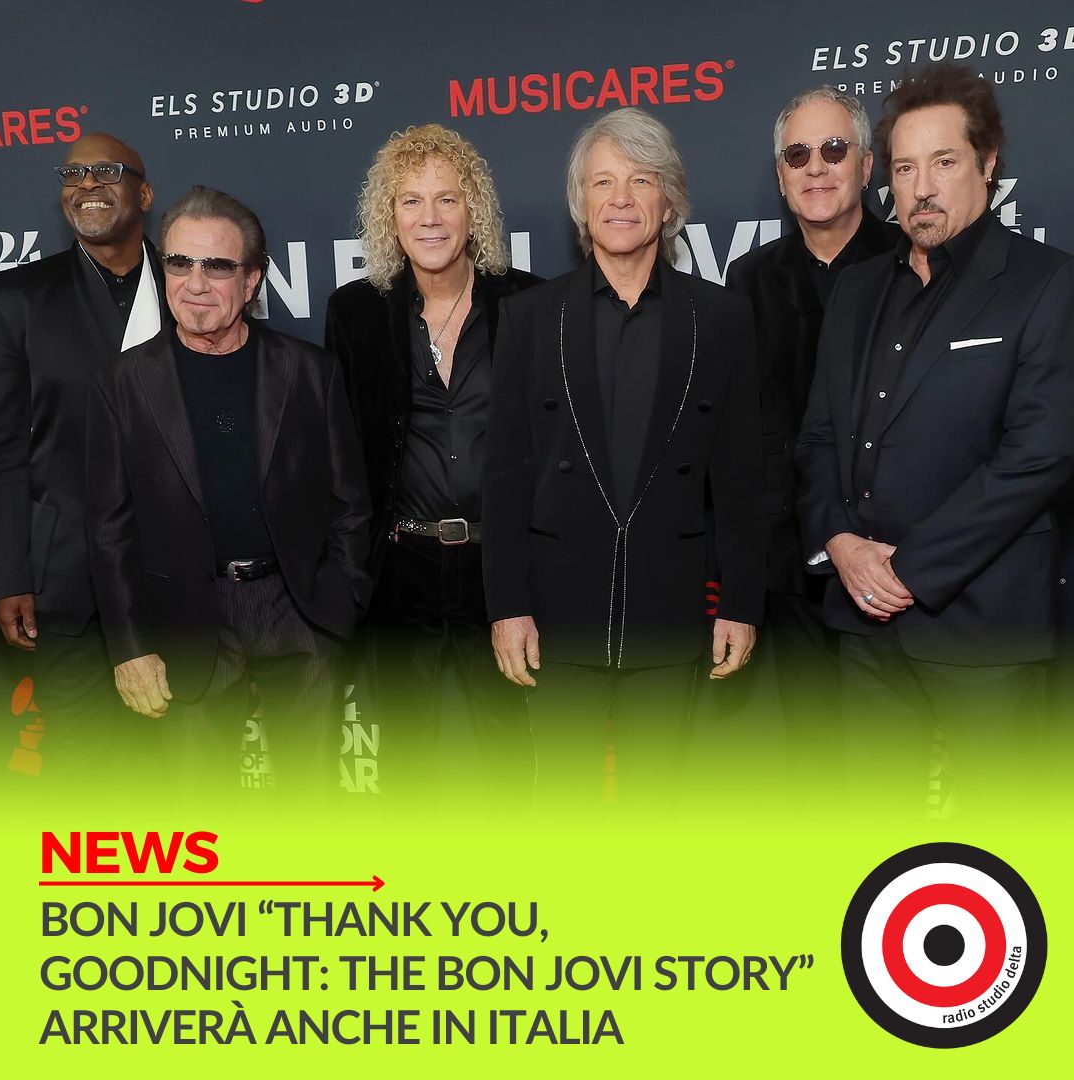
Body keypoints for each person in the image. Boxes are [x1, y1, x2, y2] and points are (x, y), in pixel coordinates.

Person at [796, 64, 1074, 811]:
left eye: (944, 163)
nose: (921, 188)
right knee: (877, 841)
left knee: (1000, 845)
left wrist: (908, 569)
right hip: (863, 624)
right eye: (905, 168)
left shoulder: (1045, 283)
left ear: (987, 163)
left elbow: (1039, 455)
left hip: (984, 628)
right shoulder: (856, 289)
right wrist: (840, 543)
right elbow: (818, 437)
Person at [482, 107, 765, 805]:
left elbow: (739, 477)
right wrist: (507, 605)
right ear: (581, 203)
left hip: (669, 614)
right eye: (603, 182)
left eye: (642, 180)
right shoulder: (529, 318)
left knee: (654, 814)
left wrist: (742, 601)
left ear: (669, 200)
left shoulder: (721, 318)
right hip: (557, 617)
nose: (621, 198)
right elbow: (506, 474)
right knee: (565, 813)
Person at [87, 186, 373, 796]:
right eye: (179, 263)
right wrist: (130, 647)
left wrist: (339, 604)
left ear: (251, 282)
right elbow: (110, 528)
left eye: (217, 266)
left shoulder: (309, 371)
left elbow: (350, 502)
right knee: (200, 816)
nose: (195, 283)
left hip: (295, 609)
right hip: (185, 621)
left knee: (312, 809)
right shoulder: (122, 384)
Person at [325, 124, 539, 805]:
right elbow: (341, 453)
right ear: (389, 216)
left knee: (514, 761)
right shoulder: (355, 312)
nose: (430, 217)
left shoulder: (530, 304)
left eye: (447, 199)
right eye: (411, 201)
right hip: (400, 572)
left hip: (502, 571)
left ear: (474, 210)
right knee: (407, 769)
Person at [725, 87, 899, 764]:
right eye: (797, 155)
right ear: (780, 176)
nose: (816, 167)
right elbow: (736, 433)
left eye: (833, 150)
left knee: (895, 766)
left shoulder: (912, 263)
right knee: (814, 764)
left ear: (867, 165)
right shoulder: (748, 280)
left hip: (896, 564)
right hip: (790, 571)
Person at [0, 132, 165, 780]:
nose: (87, 183)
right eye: (73, 173)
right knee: (81, 777)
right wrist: (10, 573)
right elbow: (5, 448)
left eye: (106, 170)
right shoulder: (17, 300)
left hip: (178, 578)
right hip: (66, 582)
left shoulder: (194, 285)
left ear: (144, 194)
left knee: (181, 776)